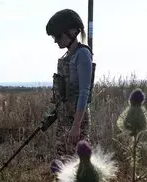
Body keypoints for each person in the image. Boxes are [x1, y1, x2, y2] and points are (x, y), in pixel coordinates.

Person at [46, 9, 95, 171]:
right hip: (64, 118)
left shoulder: (83, 55)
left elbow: (84, 92)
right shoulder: (66, 56)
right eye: (54, 37)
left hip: (77, 120)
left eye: (58, 36)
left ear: (73, 31)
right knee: (62, 162)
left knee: (76, 164)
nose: (55, 41)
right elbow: (65, 92)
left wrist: (76, 125)